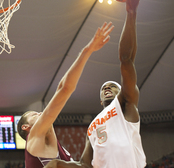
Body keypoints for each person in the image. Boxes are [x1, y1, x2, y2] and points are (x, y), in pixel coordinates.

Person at [44, 0, 146, 168]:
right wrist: (59, 165)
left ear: (122, 93)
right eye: (104, 88)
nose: (107, 88)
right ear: (100, 100)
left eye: (113, 87)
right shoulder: (93, 127)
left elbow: (126, 60)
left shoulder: (126, 106)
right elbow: (85, 164)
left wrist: (131, 12)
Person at [17, 18, 114, 167]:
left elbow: (61, 87)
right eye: (34, 115)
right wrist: (87, 51)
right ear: (26, 127)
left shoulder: (52, 144)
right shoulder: (35, 135)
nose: (40, 113)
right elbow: (65, 90)